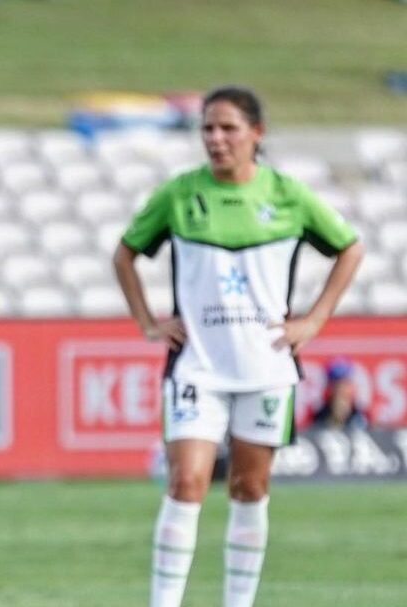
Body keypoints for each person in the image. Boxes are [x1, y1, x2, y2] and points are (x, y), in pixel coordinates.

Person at [113, 86, 364, 607]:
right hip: (197, 367)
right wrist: (147, 322)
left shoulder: (288, 195)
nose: (216, 138)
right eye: (208, 128)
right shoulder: (180, 193)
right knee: (186, 482)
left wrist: (314, 320)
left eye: (228, 128)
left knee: (249, 489)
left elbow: (350, 248)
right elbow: (124, 254)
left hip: (266, 367)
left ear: (257, 133)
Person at [309, 357, 368, 430]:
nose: (341, 390)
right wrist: (333, 419)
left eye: (345, 383)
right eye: (336, 385)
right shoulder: (320, 415)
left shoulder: (360, 415)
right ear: (329, 387)